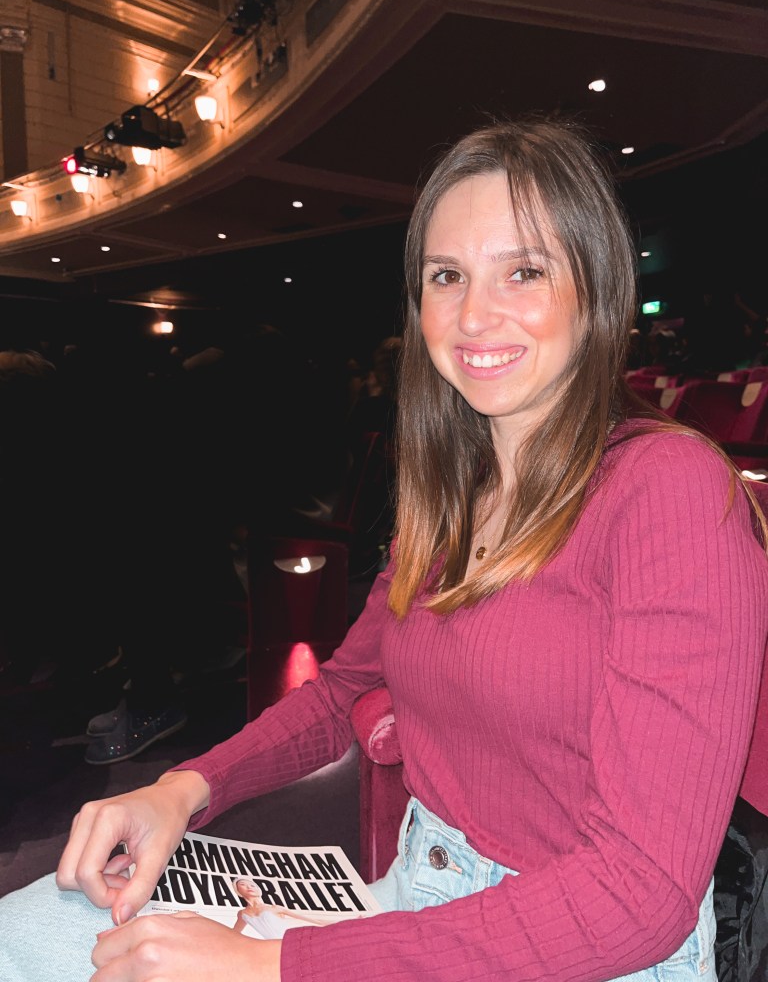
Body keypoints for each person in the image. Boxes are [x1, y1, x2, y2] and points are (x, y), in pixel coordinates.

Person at [1, 115, 767, 982]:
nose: (475, 314)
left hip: (581, 950)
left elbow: (640, 896)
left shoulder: (668, 489)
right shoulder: (449, 490)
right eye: (447, 276)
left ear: (596, 290)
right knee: (44, 926)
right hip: (415, 896)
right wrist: (179, 790)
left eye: (523, 271)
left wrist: (270, 966)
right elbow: (345, 691)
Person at [231, 878, 344, 938]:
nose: (249, 887)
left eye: (252, 885)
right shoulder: (242, 913)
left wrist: (347, 921)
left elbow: (316, 921)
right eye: (243, 884)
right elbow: (234, 934)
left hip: (291, 941)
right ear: (238, 891)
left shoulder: (275, 908)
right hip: (271, 948)